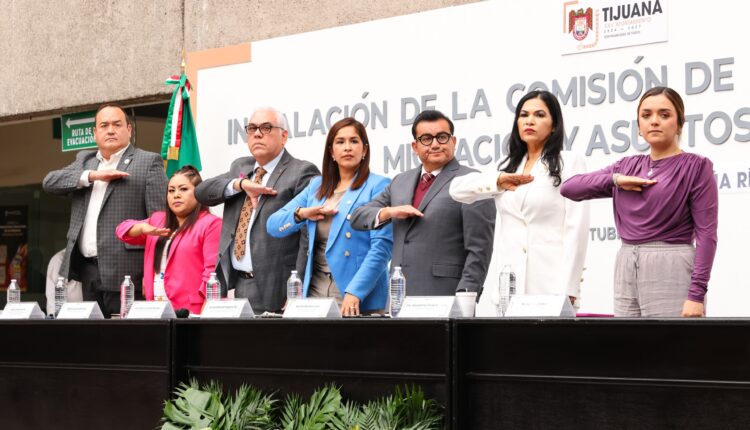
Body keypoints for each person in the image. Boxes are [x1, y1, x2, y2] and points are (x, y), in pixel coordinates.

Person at [560, 86, 718, 317]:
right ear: (639, 126)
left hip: (672, 266)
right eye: (646, 115)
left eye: (664, 115)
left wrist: (696, 294)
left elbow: (707, 234)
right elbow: (569, 188)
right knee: (628, 340)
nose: (654, 121)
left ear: (679, 123)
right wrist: (615, 180)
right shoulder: (627, 166)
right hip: (626, 264)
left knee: (673, 340)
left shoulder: (696, 166)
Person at [450, 90, 589, 306]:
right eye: (523, 115)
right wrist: (498, 180)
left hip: (551, 286)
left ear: (554, 125)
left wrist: (568, 289)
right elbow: (457, 190)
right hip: (509, 288)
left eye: (539, 115)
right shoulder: (508, 167)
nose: (529, 121)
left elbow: (577, 229)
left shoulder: (569, 162)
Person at [351, 110, 495, 296]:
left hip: (445, 297)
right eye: (426, 139)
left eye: (442, 137)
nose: (435, 144)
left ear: (453, 141)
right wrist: (390, 212)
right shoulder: (400, 182)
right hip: (399, 297)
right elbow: (357, 217)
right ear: (415, 146)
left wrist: (466, 297)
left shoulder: (473, 181)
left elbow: (479, 250)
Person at [43, 104, 167, 317]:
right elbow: (49, 182)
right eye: (104, 125)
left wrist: (154, 274)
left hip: (128, 272)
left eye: (117, 124)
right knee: (95, 334)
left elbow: (159, 221)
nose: (110, 130)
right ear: (95, 132)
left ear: (129, 129)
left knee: (127, 335)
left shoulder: (148, 162)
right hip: (87, 270)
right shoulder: (85, 161)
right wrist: (93, 176)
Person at [195, 107, 319, 313]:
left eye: (266, 128)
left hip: (279, 287)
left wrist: (296, 289)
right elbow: (201, 192)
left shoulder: (301, 172)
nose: (257, 134)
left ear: (284, 136)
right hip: (239, 284)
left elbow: (308, 236)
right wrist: (240, 184)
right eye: (252, 128)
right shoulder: (240, 167)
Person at [267, 118, 392, 316]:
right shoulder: (316, 186)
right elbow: (273, 225)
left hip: (356, 294)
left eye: (354, 141)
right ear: (331, 152)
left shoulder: (379, 185)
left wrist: (356, 291)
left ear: (364, 150)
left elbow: (382, 248)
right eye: (340, 142)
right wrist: (301, 214)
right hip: (315, 290)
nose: (347, 147)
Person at [115, 165, 221, 314]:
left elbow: (212, 273)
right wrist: (142, 228)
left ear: (198, 192)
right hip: (156, 309)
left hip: (191, 311)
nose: (176, 195)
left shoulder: (211, 224)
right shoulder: (158, 220)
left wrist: (206, 310)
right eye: (171, 191)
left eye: (183, 189)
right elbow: (121, 231)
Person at [45, 249, 83, 316]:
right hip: (67, 317)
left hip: (85, 315)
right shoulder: (59, 259)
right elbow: (54, 298)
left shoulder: (89, 259)